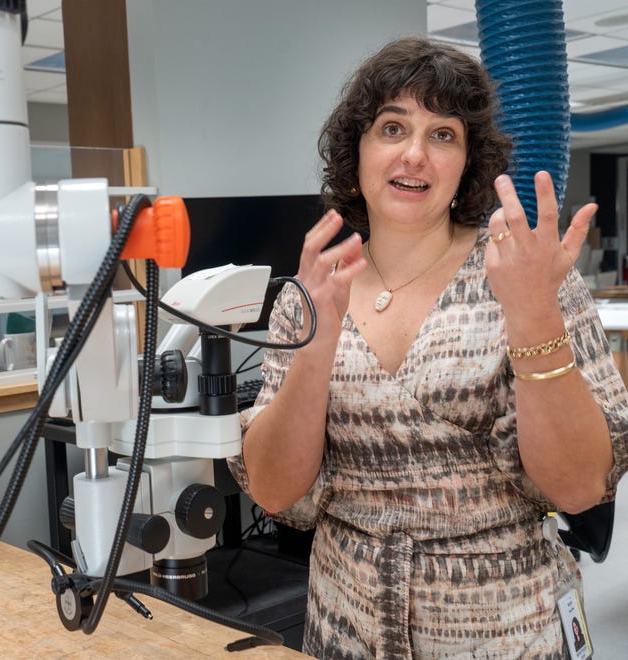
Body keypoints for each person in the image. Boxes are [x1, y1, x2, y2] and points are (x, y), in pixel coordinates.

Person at [227, 37, 628, 658]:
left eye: (443, 135)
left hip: (504, 629)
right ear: (355, 152)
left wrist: (531, 315)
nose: (415, 153)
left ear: (466, 163)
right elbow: (276, 492)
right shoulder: (310, 293)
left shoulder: (527, 275)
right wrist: (317, 341)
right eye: (393, 127)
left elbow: (579, 488)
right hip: (345, 622)